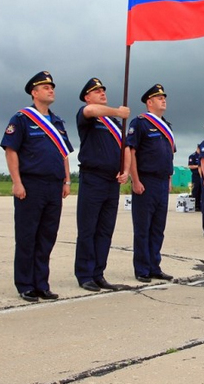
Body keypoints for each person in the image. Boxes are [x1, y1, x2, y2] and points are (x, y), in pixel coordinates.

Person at [2, 71, 73, 302]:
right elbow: (11, 150)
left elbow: (64, 153)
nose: (50, 90)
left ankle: (41, 283)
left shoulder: (58, 122)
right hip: (30, 184)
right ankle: (25, 284)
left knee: (47, 236)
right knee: (27, 236)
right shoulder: (21, 119)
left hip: (54, 186)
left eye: (52, 87)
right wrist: (17, 182)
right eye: (45, 87)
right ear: (34, 92)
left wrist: (66, 179)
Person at [74, 77, 130, 292]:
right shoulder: (87, 115)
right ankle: (84, 274)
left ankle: (98, 273)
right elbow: (90, 112)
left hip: (112, 180)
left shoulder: (114, 124)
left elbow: (125, 147)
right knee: (88, 228)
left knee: (105, 230)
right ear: (88, 97)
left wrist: (125, 171)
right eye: (97, 91)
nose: (102, 93)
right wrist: (117, 111)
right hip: (93, 178)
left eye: (103, 90)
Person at [125, 83, 175, 283]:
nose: (163, 100)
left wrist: (170, 179)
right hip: (145, 181)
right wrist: (135, 180)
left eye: (164, 97)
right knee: (143, 227)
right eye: (159, 97)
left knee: (157, 228)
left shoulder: (167, 126)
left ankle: (155, 265)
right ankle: (142, 268)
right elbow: (132, 152)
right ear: (149, 102)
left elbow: (169, 155)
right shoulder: (140, 123)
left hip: (163, 182)